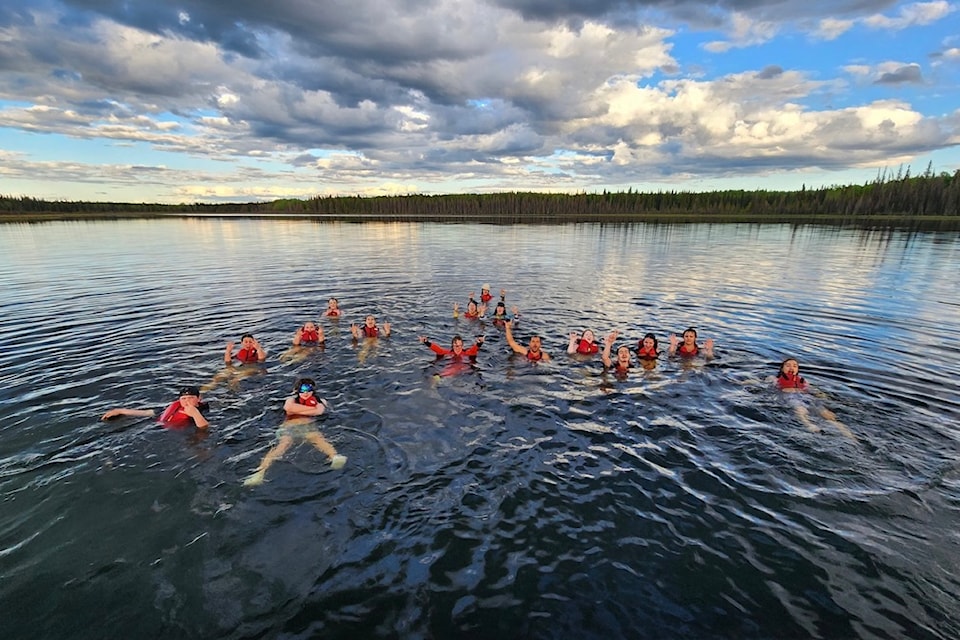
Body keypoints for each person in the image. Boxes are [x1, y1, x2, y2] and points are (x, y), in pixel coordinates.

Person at [243, 378, 346, 487]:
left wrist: (301, 410)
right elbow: (289, 408)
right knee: (282, 446)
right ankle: (260, 473)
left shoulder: (321, 401)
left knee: (318, 439)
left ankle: (335, 456)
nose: (306, 393)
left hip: (308, 427)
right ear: (297, 391)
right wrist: (313, 410)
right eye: (302, 390)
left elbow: (320, 411)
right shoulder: (291, 400)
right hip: (289, 427)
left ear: (313, 390)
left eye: (309, 390)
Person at [774, 358, 856, 440]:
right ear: (782, 368)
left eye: (795, 366)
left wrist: (823, 396)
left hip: (807, 397)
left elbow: (813, 390)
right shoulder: (774, 379)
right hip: (790, 395)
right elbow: (769, 385)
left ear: (797, 370)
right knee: (800, 409)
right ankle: (809, 425)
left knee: (827, 414)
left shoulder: (804, 381)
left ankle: (848, 434)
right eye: (788, 365)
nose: (791, 368)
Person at [101, 385, 209, 429]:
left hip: (176, 434)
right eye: (183, 399)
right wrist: (120, 411)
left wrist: (195, 414)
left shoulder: (203, 411)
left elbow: (205, 428)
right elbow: (147, 413)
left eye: (190, 398)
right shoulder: (174, 407)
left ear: (198, 399)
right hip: (156, 427)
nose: (187, 402)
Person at [419, 334, 485, 358]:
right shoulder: (449, 353)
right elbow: (438, 350)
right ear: (452, 346)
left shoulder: (466, 353)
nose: (458, 348)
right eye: (456, 346)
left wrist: (479, 343)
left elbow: (473, 350)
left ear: (462, 346)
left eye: (460, 346)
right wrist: (426, 342)